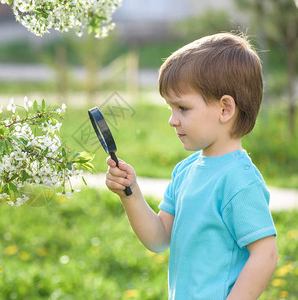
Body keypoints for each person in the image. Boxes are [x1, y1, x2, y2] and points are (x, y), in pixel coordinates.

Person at [105, 32, 278, 299]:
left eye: (182, 108)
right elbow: (159, 238)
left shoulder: (240, 181)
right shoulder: (185, 171)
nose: (172, 120)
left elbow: (265, 254)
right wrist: (131, 193)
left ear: (225, 109)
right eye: (170, 109)